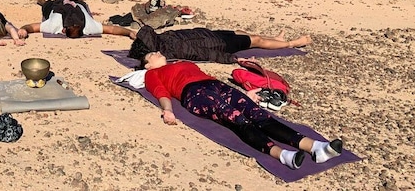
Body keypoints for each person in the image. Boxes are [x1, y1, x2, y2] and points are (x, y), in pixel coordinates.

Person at [141, 51, 343, 170]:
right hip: (193, 94)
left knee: (258, 114)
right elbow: (161, 92)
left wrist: (246, 92)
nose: (156, 53)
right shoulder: (152, 74)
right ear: (148, 66)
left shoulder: (183, 62)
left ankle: (314, 147)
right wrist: (168, 110)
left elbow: (206, 74)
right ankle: (282, 155)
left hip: (215, 85)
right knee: (237, 119)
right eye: (151, 55)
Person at [129, 25, 312, 64]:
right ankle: (292, 43)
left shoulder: (163, 41)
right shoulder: (169, 45)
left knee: (242, 33)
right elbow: (205, 55)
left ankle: (276, 38)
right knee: (256, 41)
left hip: (208, 35)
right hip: (218, 44)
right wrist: (233, 59)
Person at [21, 0, 137, 39]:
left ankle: (43, 2)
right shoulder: (88, 26)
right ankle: (42, 1)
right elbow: (111, 29)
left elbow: (31, 27)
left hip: (63, 5)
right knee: (49, 4)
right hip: (72, 5)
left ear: (63, 30)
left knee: (48, 6)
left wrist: (24, 30)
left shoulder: (54, 25)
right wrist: (129, 32)